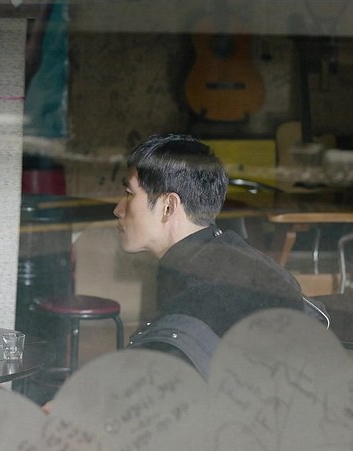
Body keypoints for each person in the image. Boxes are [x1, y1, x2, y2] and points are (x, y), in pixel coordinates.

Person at [115, 133, 311, 378]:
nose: (118, 209)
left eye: (129, 194)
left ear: (168, 206)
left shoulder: (201, 294)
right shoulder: (227, 259)